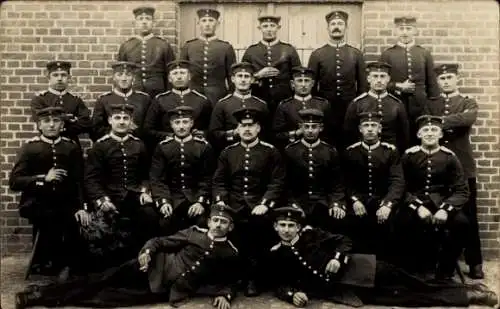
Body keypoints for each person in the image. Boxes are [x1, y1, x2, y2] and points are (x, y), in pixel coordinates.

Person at [15, 204, 240, 309]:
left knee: (104, 299)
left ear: (230, 227)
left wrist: (226, 295)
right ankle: (37, 296)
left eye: (224, 222)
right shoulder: (193, 233)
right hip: (151, 267)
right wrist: (147, 253)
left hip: (161, 289)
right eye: (216, 220)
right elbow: (159, 241)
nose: (218, 225)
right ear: (209, 221)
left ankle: (55, 298)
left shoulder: (230, 252)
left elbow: (232, 278)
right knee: (101, 279)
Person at [268, 205, 497, 308]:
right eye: (282, 225)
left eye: (291, 225)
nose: (287, 230)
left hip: (364, 268)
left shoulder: (312, 235)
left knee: (417, 283)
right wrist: (292, 295)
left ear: (299, 227)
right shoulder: (276, 255)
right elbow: (279, 283)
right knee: (411, 299)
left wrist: (337, 258)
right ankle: (468, 297)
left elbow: (344, 241)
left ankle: (473, 294)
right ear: (276, 228)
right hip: (352, 290)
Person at [9, 107, 89, 279]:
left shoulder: (70, 147)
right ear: (39, 125)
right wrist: (42, 178)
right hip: (36, 202)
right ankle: (48, 264)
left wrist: (82, 206)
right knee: (52, 218)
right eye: (47, 121)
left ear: (62, 125)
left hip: (65, 201)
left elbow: (79, 181)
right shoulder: (30, 148)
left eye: (56, 121)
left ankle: (67, 266)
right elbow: (15, 181)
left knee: (73, 221)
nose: (52, 125)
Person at [213, 107, 285, 296]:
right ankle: (234, 278)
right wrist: (221, 202)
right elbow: (219, 181)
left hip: (258, 203)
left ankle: (253, 278)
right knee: (226, 229)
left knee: (258, 230)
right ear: (237, 128)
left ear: (258, 128)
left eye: (251, 126)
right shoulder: (228, 152)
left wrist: (265, 203)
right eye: (243, 126)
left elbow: (276, 182)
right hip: (233, 204)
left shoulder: (270, 152)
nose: (247, 129)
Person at [425, 63, 484, 279]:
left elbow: (468, 118)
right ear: (438, 82)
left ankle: (475, 262)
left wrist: (439, 122)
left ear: (457, 79)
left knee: (469, 216)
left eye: (450, 77)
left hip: (464, 166)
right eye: (442, 79)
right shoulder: (432, 103)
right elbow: (424, 124)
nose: (446, 81)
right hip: (440, 168)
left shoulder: (467, 102)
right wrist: (447, 123)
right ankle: (441, 261)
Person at [395, 115, 469, 278]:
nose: (430, 133)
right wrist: (416, 207)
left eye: (434, 130)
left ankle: (445, 271)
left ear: (441, 134)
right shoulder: (409, 156)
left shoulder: (450, 157)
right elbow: (399, 187)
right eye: (425, 130)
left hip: (441, 202)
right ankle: (411, 270)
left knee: (462, 223)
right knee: (401, 222)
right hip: (415, 201)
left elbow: (462, 190)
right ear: (419, 135)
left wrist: (446, 210)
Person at [85, 103, 153, 265]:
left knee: (149, 215)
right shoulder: (100, 146)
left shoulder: (139, 145)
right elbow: (91, 179)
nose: (121, 122)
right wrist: (102, 200)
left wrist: (144, 191)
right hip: (110, 197)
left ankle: (142, 260)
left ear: (131, 122)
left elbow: (146, 174)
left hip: (134, 196)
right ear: (110, 120)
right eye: (117, 118)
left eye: (125, 118)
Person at [146, 106, 216, 236]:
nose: (181, 126)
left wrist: (200, 201)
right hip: (172, 197)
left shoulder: (203, 147)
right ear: (171, 125)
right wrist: (163, 202)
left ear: (191, 123)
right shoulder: (163, 147)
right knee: (164, 222)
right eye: (177, 122)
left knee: (201, 222)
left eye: (185, 122)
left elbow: (208, 178)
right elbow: (157, 179)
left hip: (195, 197)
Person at [343, 112, 405, 256]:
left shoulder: (390, 151)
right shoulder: (351, 152)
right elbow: (345, 181)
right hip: (359, 200)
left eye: (373, 125)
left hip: (382, 199)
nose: (370, 129)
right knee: (351, 224)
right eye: (366, 125)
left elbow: (397, 180)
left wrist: (388, 204)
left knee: (392, 223)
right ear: (360, 129)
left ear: (380, 129)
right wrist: (355, 200)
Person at [308, 10, 367, 148]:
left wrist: (357, 106)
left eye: (340, 23)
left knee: (349, 140)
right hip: (325, 108)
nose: (336, 26)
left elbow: (363, 85)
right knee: (327, 141)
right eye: (333, 24)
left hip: (350, 107)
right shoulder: (317, 54)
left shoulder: (356, 54)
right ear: (328, 28)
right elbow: (312, 84)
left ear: (346, 27)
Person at [283, 108, 346, 233]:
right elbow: (284, 183)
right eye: (306, 126)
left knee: (337, 220)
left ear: (321, 128)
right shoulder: (290, 151)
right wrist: (293, 204)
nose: (310, 130)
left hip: (322, 202)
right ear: (301, 127)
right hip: (297, 201)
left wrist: (336, 203)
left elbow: (337, 183)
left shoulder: (330, 151)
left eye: (314, 127)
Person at [380, 16, 440, 145]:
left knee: (419, 139)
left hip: (420, 106)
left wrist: (432, 109)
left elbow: (432, 85)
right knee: (398, 138)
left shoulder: (424, 53)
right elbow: (380, 83)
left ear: (415, 31)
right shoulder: (388, 54)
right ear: (396, 31)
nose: (405, 32)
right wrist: (397, 86)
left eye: (408, 28)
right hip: (396, 105)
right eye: (401, 29)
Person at [241, 15, 301, 119]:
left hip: (284, 100)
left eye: (272, 26)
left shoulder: (289, 50)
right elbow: (242, 76)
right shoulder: (251, 51)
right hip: (258, 98)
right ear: (260, 28)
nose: (269, 29)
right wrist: (257, 75)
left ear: (278, 27)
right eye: (265, 26)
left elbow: (297, 75)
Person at [344, 61, 410, 152]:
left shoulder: (397, 104)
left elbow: (404, 136)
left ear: (388, 79)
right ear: (368, 79)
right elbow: (349, 135)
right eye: (375, 76)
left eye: (382, 76)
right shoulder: (357, 103)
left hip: (390, 153)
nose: (379, 80)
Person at [144, 60, 212, 145]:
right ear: (169, 78)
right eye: (175, 73)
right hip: (168, 148)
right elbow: (148, 130)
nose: (179, 77)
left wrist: (203, 133)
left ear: (189, 76)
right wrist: (169, 136)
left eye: (182, 73)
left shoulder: (202, 100)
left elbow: (212, 129)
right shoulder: (159, 100)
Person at [209, 62, 270, 153]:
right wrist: (234, 133)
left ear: (252, 79)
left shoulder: (261, 105)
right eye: (239, 76)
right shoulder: (222, 104)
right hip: (231, 153)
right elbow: (214, 134)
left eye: (246, 76)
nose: (243, 80)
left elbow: (267, 133)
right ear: (233, 79)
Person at [180, 8, 237, 106]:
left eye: (211, 20)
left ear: (217, 24)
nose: (207, 24)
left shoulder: (226, 47)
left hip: (218, 96)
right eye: (204, 21)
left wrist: (231, 98)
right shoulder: (188, 46)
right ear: (198, 23)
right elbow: (181, 73)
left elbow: (232, 76)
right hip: (193, 95)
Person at [117, 6, 175, 98]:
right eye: (140, 19)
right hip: (133, 91)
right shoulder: (126, 46)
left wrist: (168, 96)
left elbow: (171, 72)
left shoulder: (163, 45)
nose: (144, 22)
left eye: (148, 19)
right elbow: (120, 72)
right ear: (135, 23)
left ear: (153, 23)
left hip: (158, 92)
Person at [30, 61, 92, 146]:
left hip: (72, 145)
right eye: (55, 75)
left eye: (63, 75)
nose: (59, 78)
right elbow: (41, 124)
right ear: (48, 77)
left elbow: (85, 124)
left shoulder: (75, 100)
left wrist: (61, 126)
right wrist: (69, 120)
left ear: (69, 77)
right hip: (46, 145)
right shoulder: (40, 99)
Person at [91, 61, 152, 143]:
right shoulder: (104, 100)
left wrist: (137, 130)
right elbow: (95, 129)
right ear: (114, 77)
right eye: (119, 75)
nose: (124, 79)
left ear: (133, 77)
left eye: (128, 75)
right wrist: (117, 130)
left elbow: (150, 128)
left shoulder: (144, 99)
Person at [273, 66, 332, 148]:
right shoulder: (284, 106)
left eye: (307, 81)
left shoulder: (323, 104)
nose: (303, 85)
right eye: (299, 81)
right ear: (292, 84)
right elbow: (277, 135)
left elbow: (331, 132)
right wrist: (296, 133)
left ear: (312, 84)